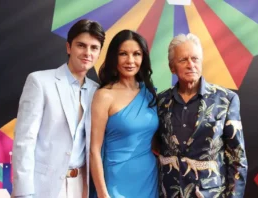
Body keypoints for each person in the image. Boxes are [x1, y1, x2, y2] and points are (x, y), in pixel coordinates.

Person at [12, 19, 105, 198]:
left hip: (81, 186)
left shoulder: (98, 92)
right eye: (81, 45)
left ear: (99, 53)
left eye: (94, 48)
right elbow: (24, 142)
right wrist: (23, 193)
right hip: (43, 186)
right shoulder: (40, 82)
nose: (87, 53)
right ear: (68, 47)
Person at [156, 33, 248, 198]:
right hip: (170, 193)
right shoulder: (161, 102)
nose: (191, 65)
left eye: (195, 59)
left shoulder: (226, 99)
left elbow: (237, 157)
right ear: (172, 67)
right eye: (183, 60)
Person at [90, 30, 159, 198]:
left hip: (149, 180)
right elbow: (94, 150)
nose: (130, 60)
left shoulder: (150, 93)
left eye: (136, 54)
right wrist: (102, 193)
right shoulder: (104, 95)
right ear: (114, 57)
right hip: (115, 182)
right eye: (123, 54)